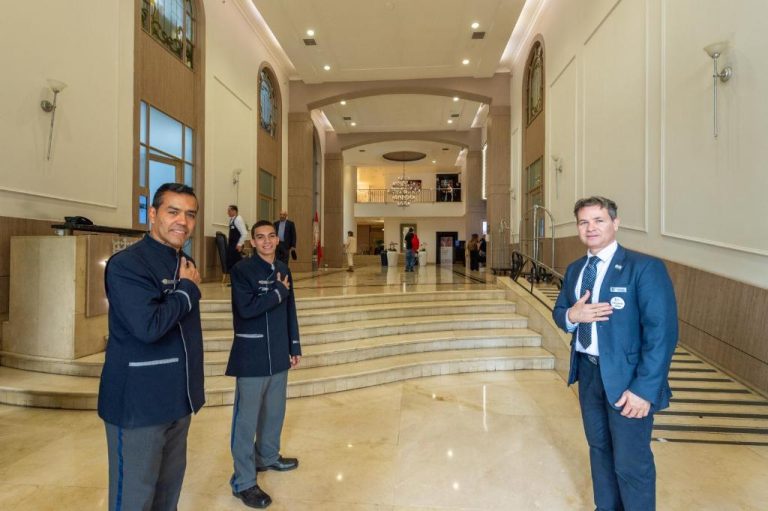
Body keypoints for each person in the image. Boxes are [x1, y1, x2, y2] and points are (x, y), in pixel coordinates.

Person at [552, 196, 678, 511]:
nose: (590, 227)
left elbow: (661, 334)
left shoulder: (644, 268)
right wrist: (572, 317)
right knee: (599, 450)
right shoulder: (576, 269)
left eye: (599, 220)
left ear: (615, 223)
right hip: (589, 374)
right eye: (584, 222)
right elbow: (560, 312)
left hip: (628, 381)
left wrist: (644, 390)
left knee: (631, 462)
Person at [98, 182, 205, 511]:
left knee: (167, 494)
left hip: (178, 399)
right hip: (139, 405)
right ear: (153, 215)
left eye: (190, 215)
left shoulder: (182, 262)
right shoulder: (128, 264)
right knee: (135, 497)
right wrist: (187, 291)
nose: (182, 222)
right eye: (173, 212)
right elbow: (148, 327)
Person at [227, 220, 302, 509]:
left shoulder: (284, 269)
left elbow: (290, 310)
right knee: (245, 422)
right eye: (260, 237)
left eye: (271, 236)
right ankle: (243, 481)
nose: (267, 241)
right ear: (253, 242)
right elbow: (246, 310)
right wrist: (275, 294)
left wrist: (293, 345)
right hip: (251, 354)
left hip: (279, 353)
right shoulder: (242, 271)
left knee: (274, 412)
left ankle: (268, 457)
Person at [227, 205, 249, 269]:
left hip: (236, 246)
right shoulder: (232, 220)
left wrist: (239, 244)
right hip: (232, 245)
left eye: (229, 211)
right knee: (231, 263)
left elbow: (244, 233)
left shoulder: (238, 219)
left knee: (236, 263)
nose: (227, 212)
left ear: (234, 211)